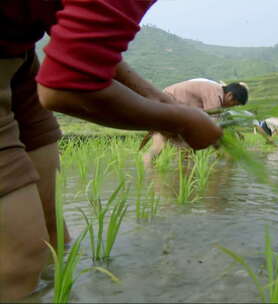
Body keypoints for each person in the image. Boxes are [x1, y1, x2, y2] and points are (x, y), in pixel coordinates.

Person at [0, 0, 223, 300]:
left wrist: (161, 101)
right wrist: (183, 120)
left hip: (18, 49)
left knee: (55, 235)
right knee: (19, 260)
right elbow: (64, 88)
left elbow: (88, 50)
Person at [141, 79, 249, 165]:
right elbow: (213, 127)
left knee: (177, 148)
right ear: (230, 96)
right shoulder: (215, 94)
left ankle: (155, 177)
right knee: (174, 146)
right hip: (169, 107)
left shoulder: (215, 91)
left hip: (168, 107)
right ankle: (153, 175)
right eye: (234, 104)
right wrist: (226, 150)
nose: (232, 107)